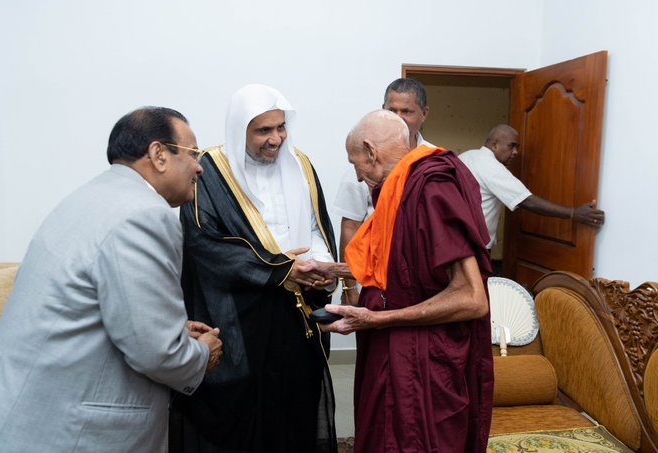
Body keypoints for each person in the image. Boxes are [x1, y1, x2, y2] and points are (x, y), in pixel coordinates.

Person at [0, 107, 223, 451]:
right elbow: (157, 353)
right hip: (62, 430)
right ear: (158, 155)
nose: (200, 167)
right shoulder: (146, 214)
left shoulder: (89, 196)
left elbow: (92, 302)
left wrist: (171, 329)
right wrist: (200, 353)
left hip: (15, 409)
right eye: (193, 153)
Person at [305, 110, 494, 452]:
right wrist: (335, 270)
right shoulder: (401, 188)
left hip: (424, 358)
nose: (358, 177)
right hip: (393, 349)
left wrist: (378, 319)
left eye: (355, 164)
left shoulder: (433, 188)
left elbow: (471, 297)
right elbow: (401, 267)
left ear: (371, 151)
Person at [169, 84, 338, 453]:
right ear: (239, 130)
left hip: (294, 313)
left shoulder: (300, 164)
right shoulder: (210, 171)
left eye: (281, 127)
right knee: (241, 414)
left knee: (294, 405)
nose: (275, 139)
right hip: (236, 316)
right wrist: (280, 267)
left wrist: (321, 267)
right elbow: (203, 243)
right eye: (263, 130)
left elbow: (316, 227)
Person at [333, 77, 434, 304]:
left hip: (420, 279)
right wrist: (349, 288)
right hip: (371, 277)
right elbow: (350, 226)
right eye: (392, 110)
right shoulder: (364, 158)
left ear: (424, 114)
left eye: (406, 111)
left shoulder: (432, 159)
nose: (398, 117)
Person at [459, 123, 606, 250]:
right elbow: (527, 201)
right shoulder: (492, 167)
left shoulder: (466, 156)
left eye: (517, 147)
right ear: (495, 144)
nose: (515, 152)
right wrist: (574, 213)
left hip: (456, 240)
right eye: (511, 146)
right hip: (473, 247)